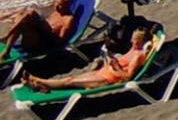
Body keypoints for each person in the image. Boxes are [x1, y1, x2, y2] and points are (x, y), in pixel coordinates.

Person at [20, 23, 154, 93]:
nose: (132, 41)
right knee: (70, 80)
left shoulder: (138, 56)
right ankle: (38, 84)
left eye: (136, 40)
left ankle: (37, 80)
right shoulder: (133, 49)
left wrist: (116, 66)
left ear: (141, 41)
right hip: (103, 72)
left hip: (107, 79)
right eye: (133, 38)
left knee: (70, 81)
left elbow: (127, 78)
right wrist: (111, 58)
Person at [0, 0, 98, 58]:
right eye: (56, 3)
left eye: (60, 5)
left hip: (42, 43)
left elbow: (61, 42)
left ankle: (7, 40)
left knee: (29, 15)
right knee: (25, 14)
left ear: (68, 5)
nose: (57, 6)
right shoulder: (56, 12)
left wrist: (46, 30)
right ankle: (6, 50)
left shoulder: (68, 20)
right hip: (37, 35)